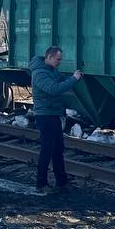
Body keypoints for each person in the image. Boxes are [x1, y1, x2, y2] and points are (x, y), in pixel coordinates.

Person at [29, 45, 82, 193]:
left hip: (53, 113)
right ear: (49, 57)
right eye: (58, 59)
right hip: (45, 115)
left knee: (58, 149)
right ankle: (41, 184)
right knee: (47, 149)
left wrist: (75, 77)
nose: (60, 62)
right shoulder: (39, 73)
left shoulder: (51, 70)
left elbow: (62, 80)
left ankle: (62, 181)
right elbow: (54, 89)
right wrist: (74, 79)